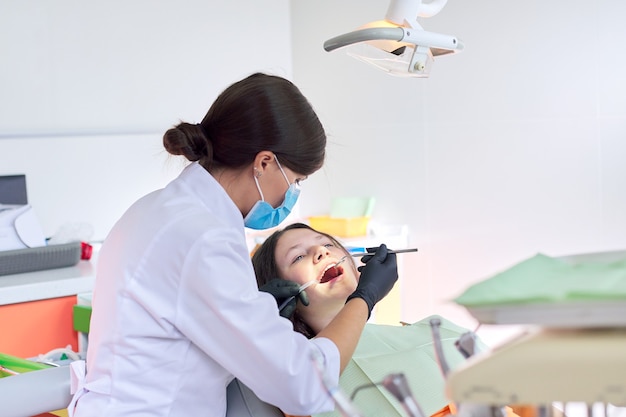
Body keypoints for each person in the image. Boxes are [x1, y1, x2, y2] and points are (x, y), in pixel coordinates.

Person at [67, 73, 398, 417]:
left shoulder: (155, 210)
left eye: (325, 242)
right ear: (265, 163)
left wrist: (257, 309)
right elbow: (303, 385)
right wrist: (365, 299)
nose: (291, 195)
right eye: (296, 180)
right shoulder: (204, 239)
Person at [248, 223, 528, 417]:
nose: (321, 252)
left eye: (328, 244)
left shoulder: (437, 329)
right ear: (282, 294)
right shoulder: (297, 372)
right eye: (298, 256)